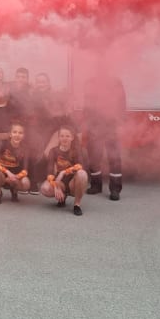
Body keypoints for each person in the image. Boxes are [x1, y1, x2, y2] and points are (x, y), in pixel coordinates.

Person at [83, 67, 126, 201]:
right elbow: (86, 105)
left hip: (111, 126)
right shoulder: (90, 83)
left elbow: (122, 103)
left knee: (114, 158)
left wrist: (119, 122)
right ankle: (96, 186)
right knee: (94, 157)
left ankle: (115, 189)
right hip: (94, 126)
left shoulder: (116, 83)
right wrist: (88, 124)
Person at [40, 125, 88, 216]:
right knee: (45, 188)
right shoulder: (53, 151)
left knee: (82, 174)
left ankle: (76, 205)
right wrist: (55, 186)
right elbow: (49, 172)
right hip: (60, 181)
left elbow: (80, 166)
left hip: (73, 181)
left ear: (72, 138)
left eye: (67, 136)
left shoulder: (76, 150)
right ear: (58, 138)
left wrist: (63, 172)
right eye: (62, 136)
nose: (64, 138)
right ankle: (63, 197)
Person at [0, 121, 31, 204]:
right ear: (10, 134)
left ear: (23, 136)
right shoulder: (2, 143)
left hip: (15, 175)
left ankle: (14, 191)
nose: (17, 135)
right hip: (2, 173)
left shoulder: (25, 148)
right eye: (14, 132)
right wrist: (7, 173)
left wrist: (16, 177)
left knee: (26, 183)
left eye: (20, 133)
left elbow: (25, 170)